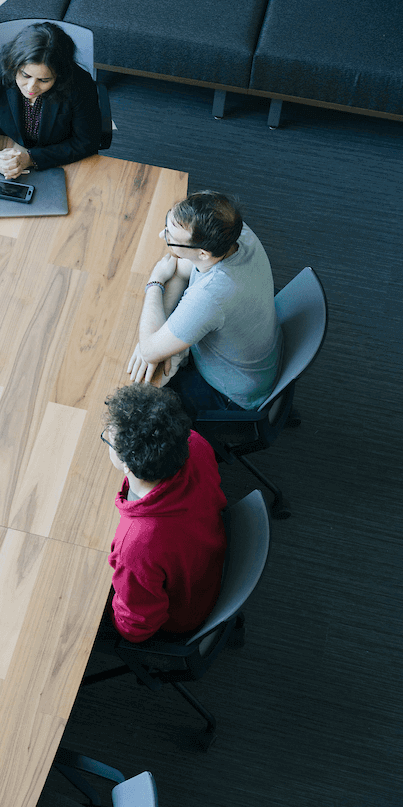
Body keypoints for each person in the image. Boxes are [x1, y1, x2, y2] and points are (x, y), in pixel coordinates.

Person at [127, 190, 283, 417]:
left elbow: (150, 351)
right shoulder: (231, 232)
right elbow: (182, 271)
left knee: (140, 408)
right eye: (167, 224)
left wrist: (155, 281)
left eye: (171, 237)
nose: (163, 235)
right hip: (262, 354)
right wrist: (163, 333)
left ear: (202, 253)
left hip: (231, 393)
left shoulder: (213, 294)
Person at [100, 384, 227, 643]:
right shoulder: (195, 443)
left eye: (107, 439)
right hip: (207, 565)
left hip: (183, 613)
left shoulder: (137, 543)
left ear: (127, 463)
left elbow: (135, 627)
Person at [0, 21, 103, 179]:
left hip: (59, 155)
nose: (31, 87)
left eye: (44, 80)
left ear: (59, 77)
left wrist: (31, 158)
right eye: (25, 75)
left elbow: (87, 141)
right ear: (13, 65)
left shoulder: (80, 84)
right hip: (6, 148)